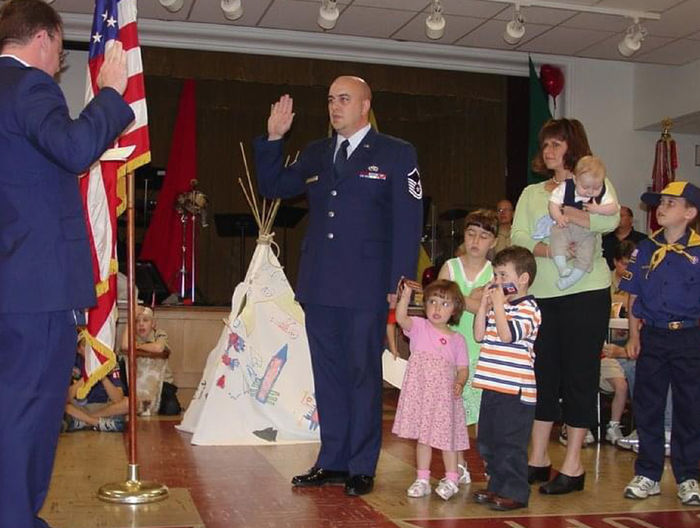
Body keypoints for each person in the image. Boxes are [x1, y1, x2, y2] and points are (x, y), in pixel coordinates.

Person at [253, 76, 422, 496]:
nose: (335, 107)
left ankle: (361, 465)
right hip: (321, 283)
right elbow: (275, 186)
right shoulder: (318, 152)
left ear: (365, 105)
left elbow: (408, 221)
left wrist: (399, 283)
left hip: (367, 286)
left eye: (344, 99)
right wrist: (273, 139)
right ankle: (332, 461)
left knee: (363, 375)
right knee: (328, 375)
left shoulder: (396, 153)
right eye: (331, 100)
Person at [0, 1, 135, 526]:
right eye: (59, 49)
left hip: (14, 285)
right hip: (36, 289)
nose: (60, 61)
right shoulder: (29, 87)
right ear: (44, 38)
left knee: (15, 407)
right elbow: (75, 147)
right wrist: (111, 93)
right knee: (27, 413)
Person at [511, 118, 618, 495]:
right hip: (543, 294)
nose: (550, 151)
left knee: (579, 376)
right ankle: (537, 458)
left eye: (557, 143)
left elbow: (613, 220)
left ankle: (573, 465)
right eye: (546, 145)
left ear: (573, 146)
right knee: (542, 375)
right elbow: (519, 237)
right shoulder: (531, 193)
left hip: (587, 292)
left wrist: (574, 217)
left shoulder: (594, 183)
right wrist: (552, 248)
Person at [620, 181, 700, 506]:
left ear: (690, 213)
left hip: (689, 336)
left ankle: (688, 475)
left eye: (670, 203)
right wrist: (634, 334)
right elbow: (632, 293)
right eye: (660, 202)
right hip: (652, 334)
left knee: (690, 407)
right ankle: (648, 473)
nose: (661, 208)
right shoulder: (645, 248)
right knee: (648, 405)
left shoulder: (698, 250)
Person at [472, 246, 541, 511]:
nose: (497, 281)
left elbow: (507, 335)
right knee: (489, 441)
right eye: (495, 275)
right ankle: (497, 485)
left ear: (522, 279)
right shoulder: (499, 308)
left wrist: (499, 305)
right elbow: (480, 335)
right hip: (493, 385)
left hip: (515, 391)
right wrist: (484, 307)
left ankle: (515, 491)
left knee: (510, 443)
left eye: (503, 275)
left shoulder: (529, 309)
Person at [392, 279, 468, 501]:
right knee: (423, 438)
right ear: (425, 305)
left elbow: (463, 369)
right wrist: (405, 295)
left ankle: (452, 478)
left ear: (455, 309)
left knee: (447, 439)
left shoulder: (457, 340)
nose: (437, 309)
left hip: (443, 398)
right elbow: (400, 318)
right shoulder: (418, 327)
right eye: (433, 302)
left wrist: (460, 383)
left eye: (445, 304)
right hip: (421, 396)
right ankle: (422, 479)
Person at [437, 209, 498, 484]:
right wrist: (474, 300)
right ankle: (458, 465)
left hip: (481, 355)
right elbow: (440, 304)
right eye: (471, 234)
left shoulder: (495, 273)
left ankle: (490, 465)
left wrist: (461, 297)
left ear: (493, 242)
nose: (476, 240)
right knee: (453, 414)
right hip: (451, 354)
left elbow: (494, 310)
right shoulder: (450, 267)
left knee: (484, 416)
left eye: (484, 236)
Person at [548, 156, 619, 290]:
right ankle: (562, 267)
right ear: (575, 179)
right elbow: (553, 203)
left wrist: (598, 208)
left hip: (586, 232)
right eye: (585, 187)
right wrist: (558, 217)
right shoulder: (566, 187)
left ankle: (571, 279)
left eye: (596, 187)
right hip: (566, 225)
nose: (591, 192)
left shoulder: (603, 191)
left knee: (586, 254)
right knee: (557, 237)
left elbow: (613, 208)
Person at [63, 335, 128, 432]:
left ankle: (84, 421)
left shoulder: (110, 362)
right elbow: (66, 397)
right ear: (78, 349)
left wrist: (102, 376)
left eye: (93, 345)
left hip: (104, 407)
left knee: (129, 403)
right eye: (86, 346)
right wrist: (88, 376)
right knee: (60, 405)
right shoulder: (72, 363)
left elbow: (118, 398)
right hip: (79, 407)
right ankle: (98, 423)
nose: (91, 351)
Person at [120, 306, 174, 416]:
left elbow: (158, 348)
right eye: (136, 321)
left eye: (145, 320)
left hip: (160, 384)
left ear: (153, 324)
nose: (140, 324)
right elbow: (125, 346)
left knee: (171, 408)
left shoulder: (159, 334)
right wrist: (129, 321)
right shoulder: (131, 336)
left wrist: (137, 346)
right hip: (136, 384)